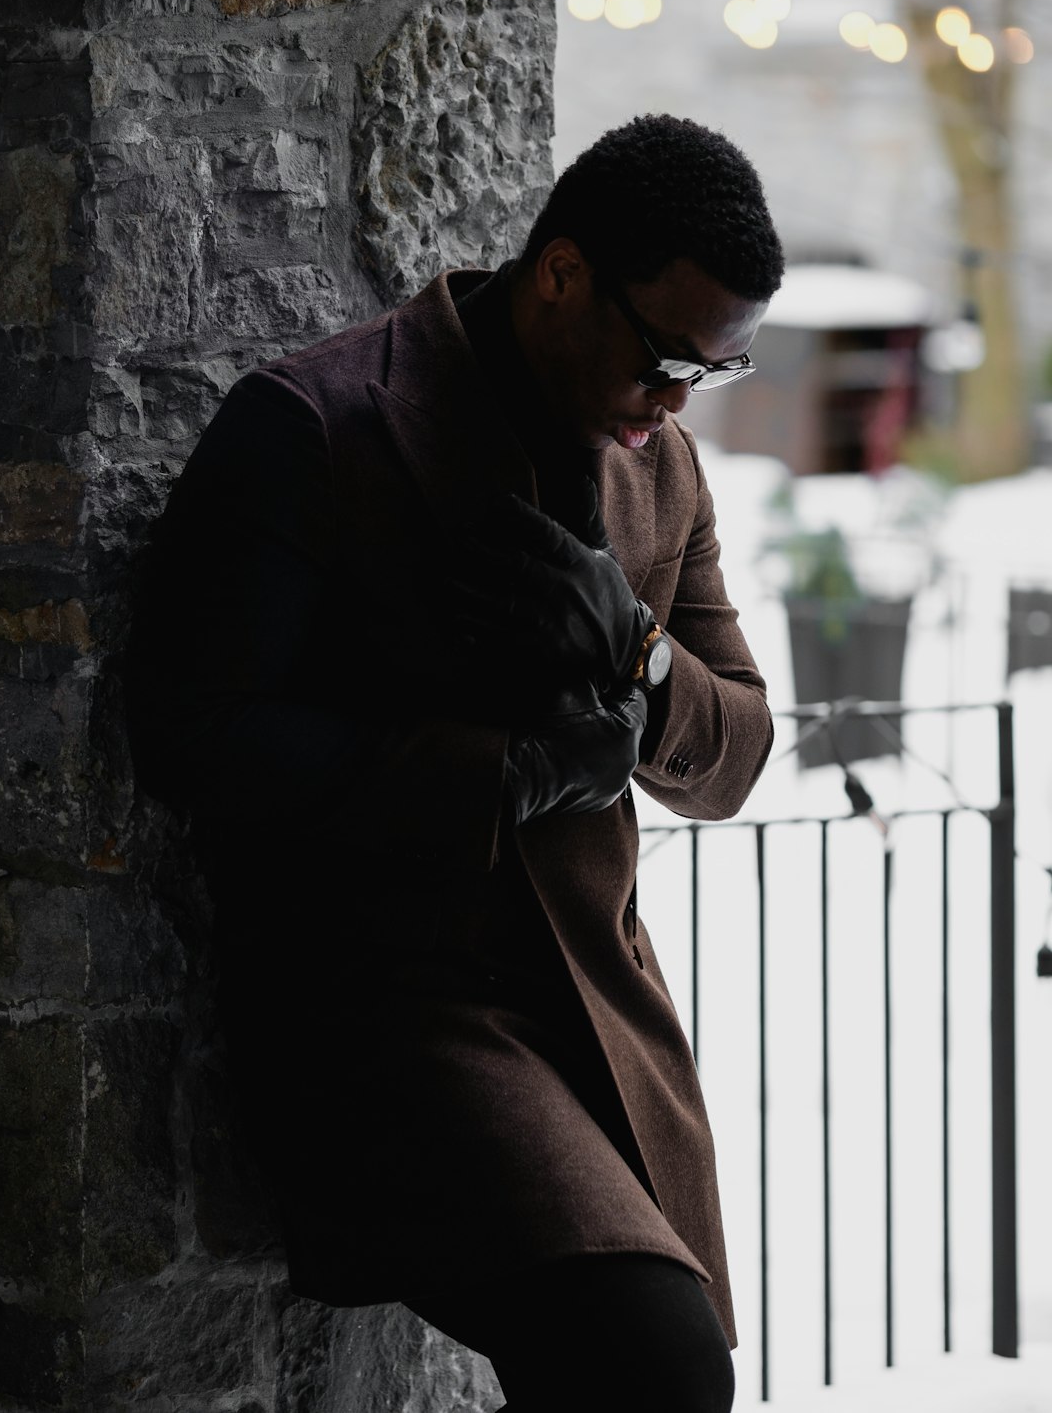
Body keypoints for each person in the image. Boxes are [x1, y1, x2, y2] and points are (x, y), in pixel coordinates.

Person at [123, 113, 785, 1411]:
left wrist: (638, 655)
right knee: (653, 1370)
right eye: (665, 358)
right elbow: (198, 738)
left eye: (714, 372)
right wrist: (505, 773)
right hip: (386, 1007)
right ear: (560, 278)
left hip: (600, 1008)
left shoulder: (666, 473)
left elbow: (741, 751)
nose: (675, 400)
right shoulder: (314, 424)